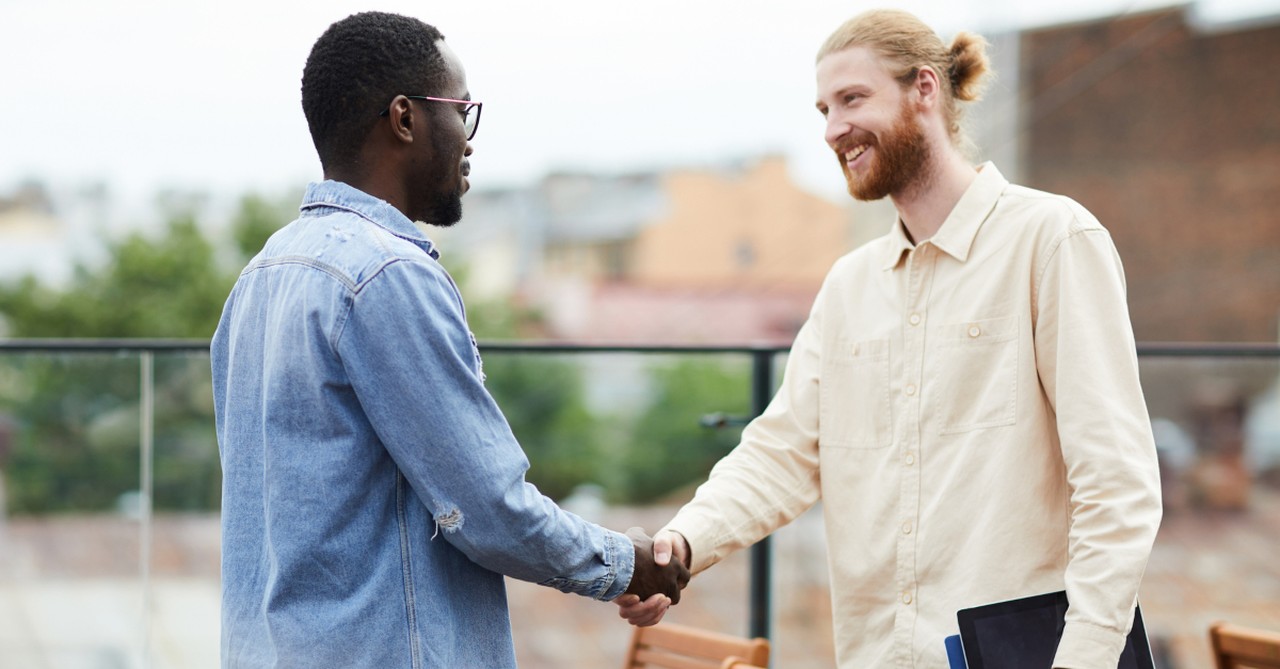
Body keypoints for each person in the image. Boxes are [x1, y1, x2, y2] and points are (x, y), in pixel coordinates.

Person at [617, 9, 1162, 668]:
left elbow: (1117, 487)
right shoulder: (850, 285)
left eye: (852, 99)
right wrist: (681, 547)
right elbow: (782, 453)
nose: (832, 128)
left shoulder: (1052, 239)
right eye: (822, 108)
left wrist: (1083, 659)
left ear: (924, 90)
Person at [210, 12, 687, 668]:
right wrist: (628, 565)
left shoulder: (262, 274)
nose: (468, 136)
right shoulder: (387, 274)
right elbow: (487, 508)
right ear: (405, 118)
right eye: (462, 109)